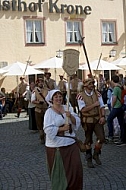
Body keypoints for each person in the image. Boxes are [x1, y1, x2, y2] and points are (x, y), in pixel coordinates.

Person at [43, 89, 83, 190]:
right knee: (60, 172)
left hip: (71, 143)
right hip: (57, 146)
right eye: (56, 97)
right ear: (52, 99)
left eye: (60, 96)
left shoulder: (67, 108)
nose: (58, 98)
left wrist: (71, 117)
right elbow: (47, 129)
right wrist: (62, 128)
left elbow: (77, 122)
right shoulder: (49, 112)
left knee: (75, 169)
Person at [77, 78, 106, 168]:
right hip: (87, 120)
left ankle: (96, 154)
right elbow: (83, 109)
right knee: (88, 140)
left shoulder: (97, 94)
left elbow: (102, 106)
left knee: (101, 138)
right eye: (90, 83)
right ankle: (89, 158)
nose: (92, 85)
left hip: (97, 119)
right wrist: (94, 105)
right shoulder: (80, 96)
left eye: (93, 83)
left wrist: (102, 116)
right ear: (85, 85)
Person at [107, 75, 125, 145]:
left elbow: (114, 98)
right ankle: (122, 137)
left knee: (109, 120)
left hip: (116, 107)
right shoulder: (121, 87)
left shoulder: (116, 88)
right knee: (121, 123)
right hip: (121, 107)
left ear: (112, 81)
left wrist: (112, 106)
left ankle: (111, 135)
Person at [31, 78, 48, 144]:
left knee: (47, 124)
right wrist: (38, 102)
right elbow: (32, 100)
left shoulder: (47, 90)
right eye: (39, 82)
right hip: (38, 110)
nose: (41, 83)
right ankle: (42, 137)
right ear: (37, 83)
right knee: (40, 125)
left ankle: (48, 137)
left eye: (42, 82)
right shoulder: (34, 91)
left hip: (46, 109)